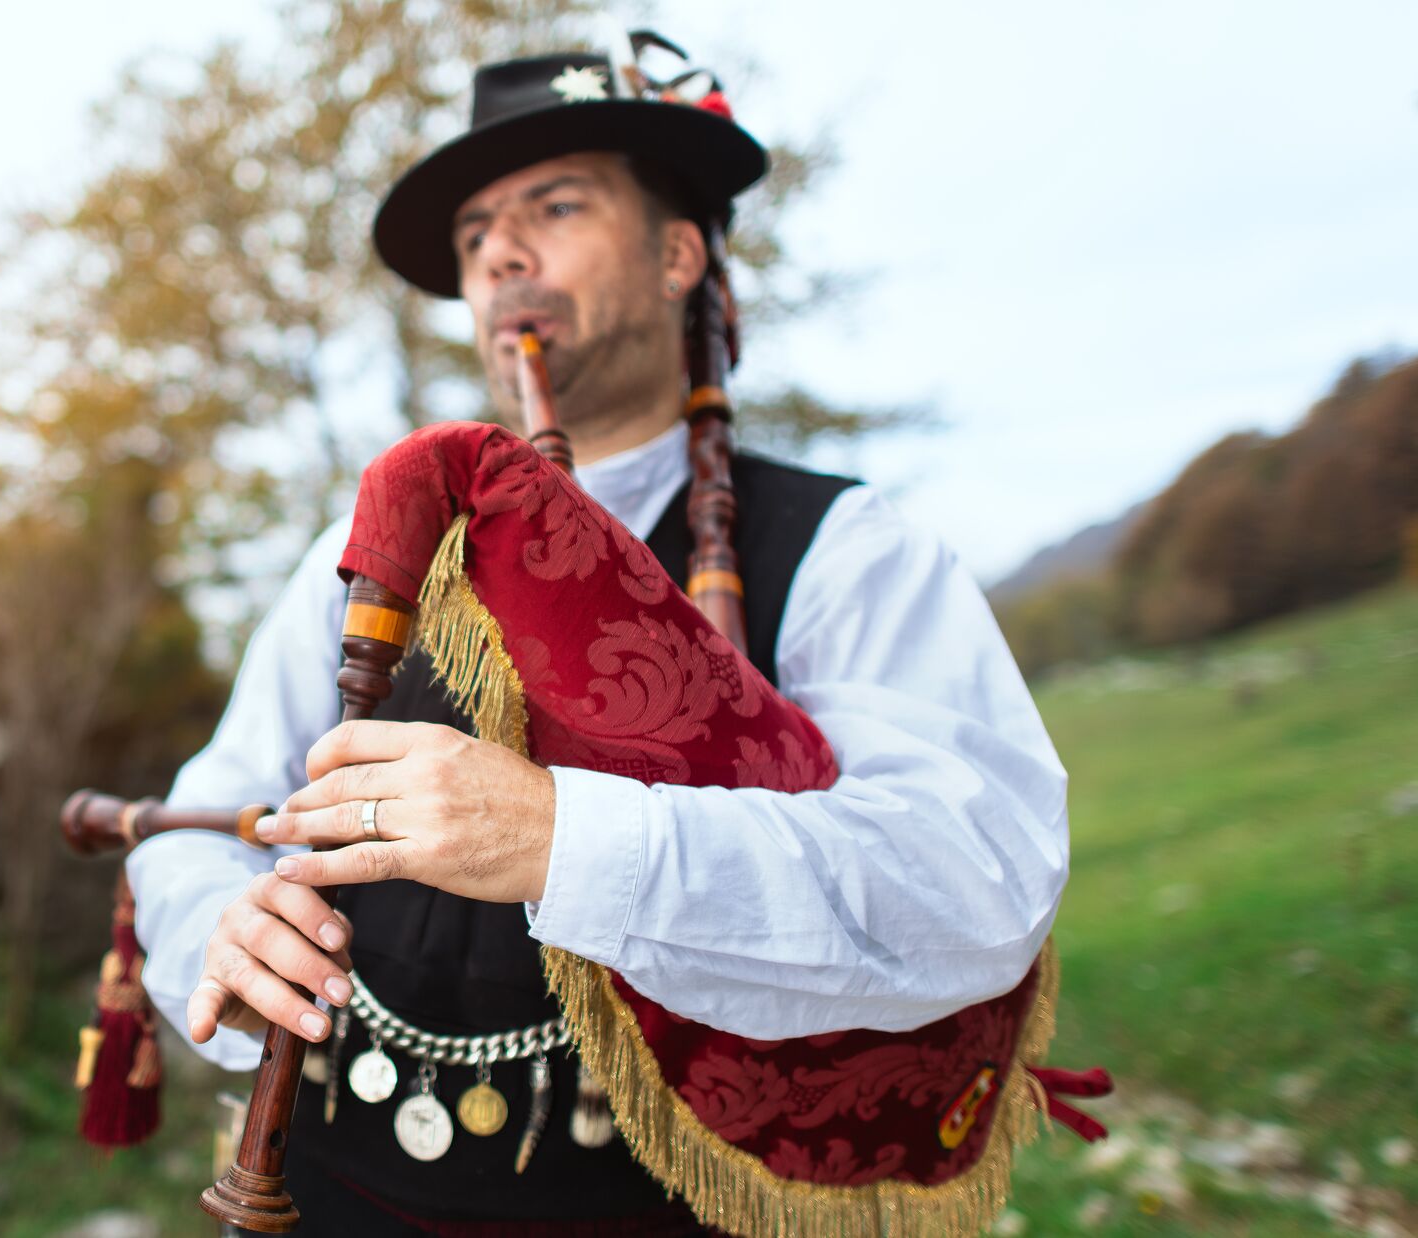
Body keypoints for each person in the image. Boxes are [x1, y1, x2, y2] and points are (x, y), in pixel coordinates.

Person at [126, 42, 1068, 1234]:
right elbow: (204, 810)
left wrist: (557, 836)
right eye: (476, 236)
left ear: (680, 254)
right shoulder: (361, 550)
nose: (501, 254)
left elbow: (973, 879)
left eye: (555, 207)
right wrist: (214, 918)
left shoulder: (839, 546)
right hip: (329, 1192)